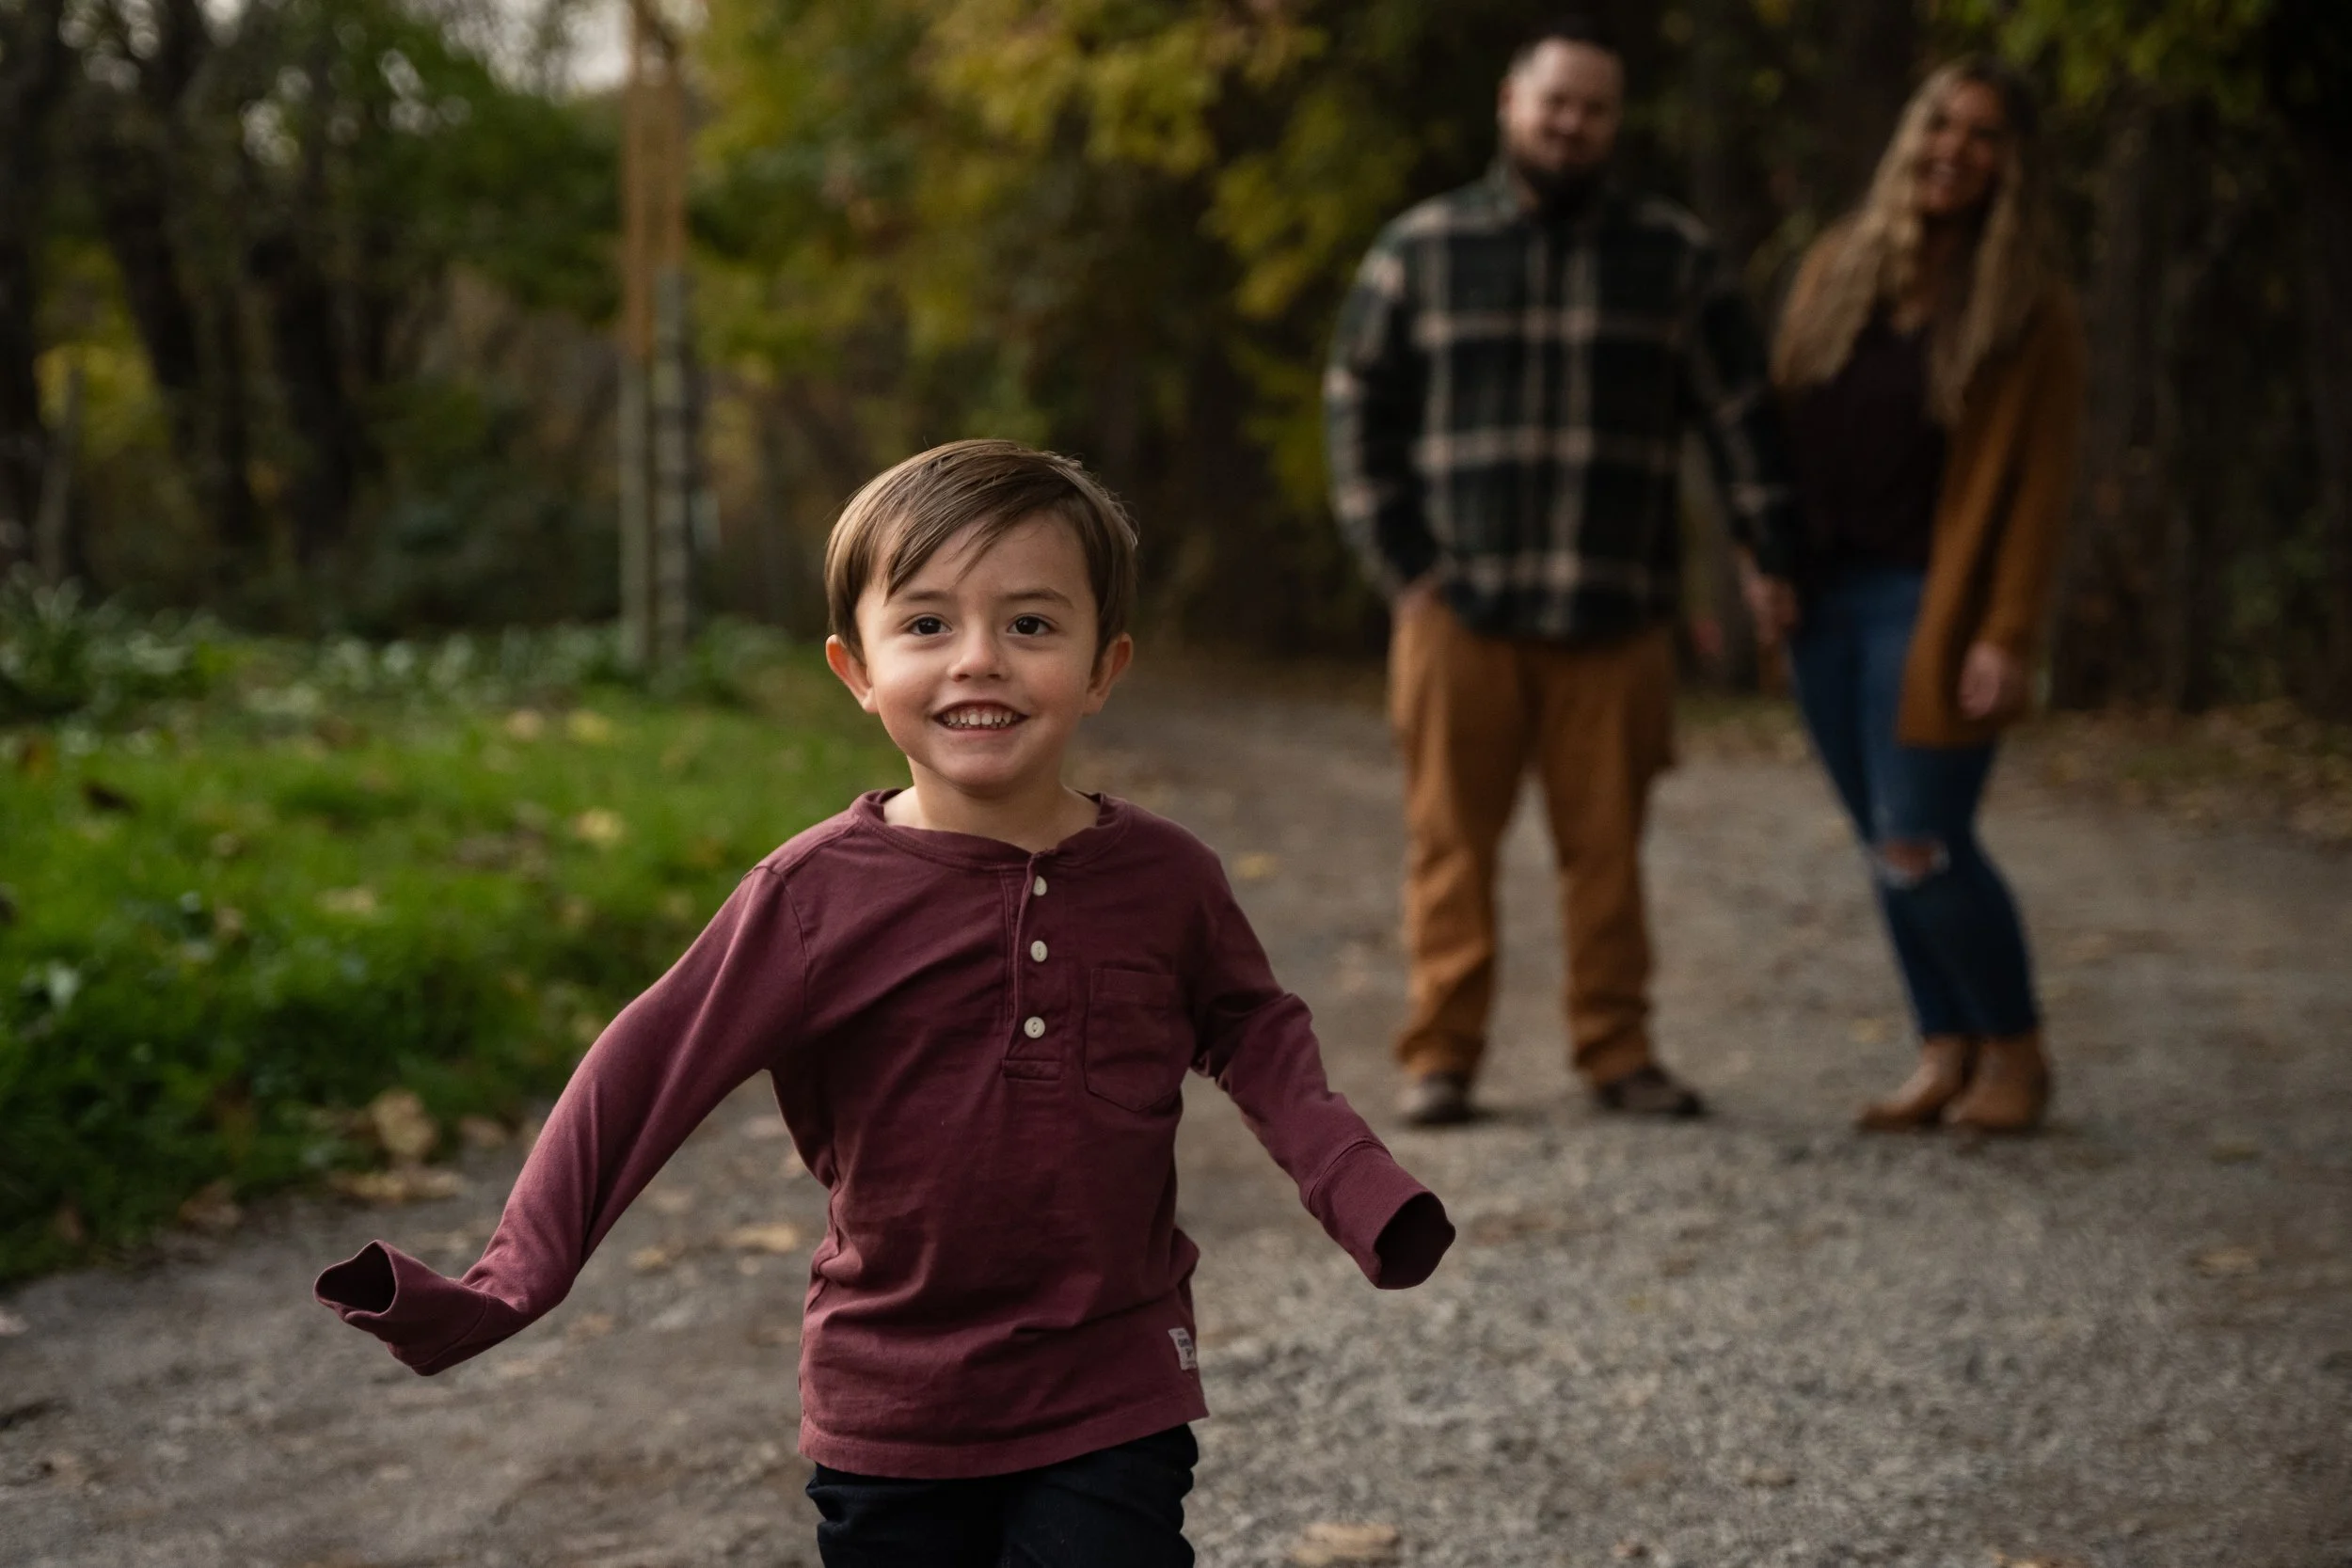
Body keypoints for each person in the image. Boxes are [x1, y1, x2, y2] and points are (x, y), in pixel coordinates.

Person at [311, 440, 1456, 1565]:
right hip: (890, 1398)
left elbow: (1260, 1033)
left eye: (1031, 623)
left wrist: (1359, 1188)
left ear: (1103, 666)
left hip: (1111, 1376)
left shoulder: (1167, 879)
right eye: (925, 623)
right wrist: (507, 1281)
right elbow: (647, 1064)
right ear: (854, 668)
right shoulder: (811, 895)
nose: (980, 660)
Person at [1326, 14, 1804, 1127]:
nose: (1573, 125)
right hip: (1460, 612)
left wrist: (1768, 550)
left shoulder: (1673, 259)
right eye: (1556, 103)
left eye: (1594, 109)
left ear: (1613, 123)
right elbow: (1357, 409)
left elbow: (1741, 421)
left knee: (1608, 854)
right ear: (1511, 103)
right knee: (1450, 845)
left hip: (1616, 611)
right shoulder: (1421, 250)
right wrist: (1401, 563)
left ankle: (1617, 1050)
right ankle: (1440, 1055)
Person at [1766, 58, 2084, 1133]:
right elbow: (1777, 435)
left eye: (1985, 134)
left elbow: (2038, 487)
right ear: (1911, 134)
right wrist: (1763, 567)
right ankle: (1943, 1048)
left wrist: (2006, 629)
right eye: (1942, 122)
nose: (1956, 147)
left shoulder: (2027, 310)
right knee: (1880, 842)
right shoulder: (1833, 270)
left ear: (2011, 164)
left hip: (1929, 602)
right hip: (1823, 598)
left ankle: (2017, 1048)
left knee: (1921, 837)